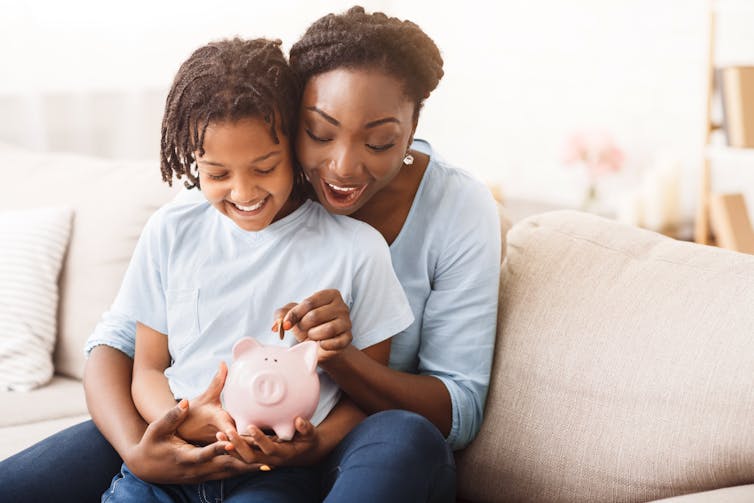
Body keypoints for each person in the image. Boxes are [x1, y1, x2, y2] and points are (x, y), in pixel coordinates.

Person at [0, 6, 500, 502]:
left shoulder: (449, 210)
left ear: (412, 127)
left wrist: (336, 363)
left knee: (403, 435)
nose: (342, 166)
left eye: (381, 140)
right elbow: (125, 341)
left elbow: (460, 405)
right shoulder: (227, 194)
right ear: (290, 115)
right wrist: (139, 446)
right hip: (193, 424)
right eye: (319, 133)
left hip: (340, 443)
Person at [98, 36, 415, 502]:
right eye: (217, 174)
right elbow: (146, 367)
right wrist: (179, 419)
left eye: (265, 167)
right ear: (193, 162)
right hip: (170, 463)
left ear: (293, 146)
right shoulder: (172, 229)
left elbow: (366, 396)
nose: (243, 192)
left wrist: (313, 448)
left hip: (273, 474)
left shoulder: (356, 250)